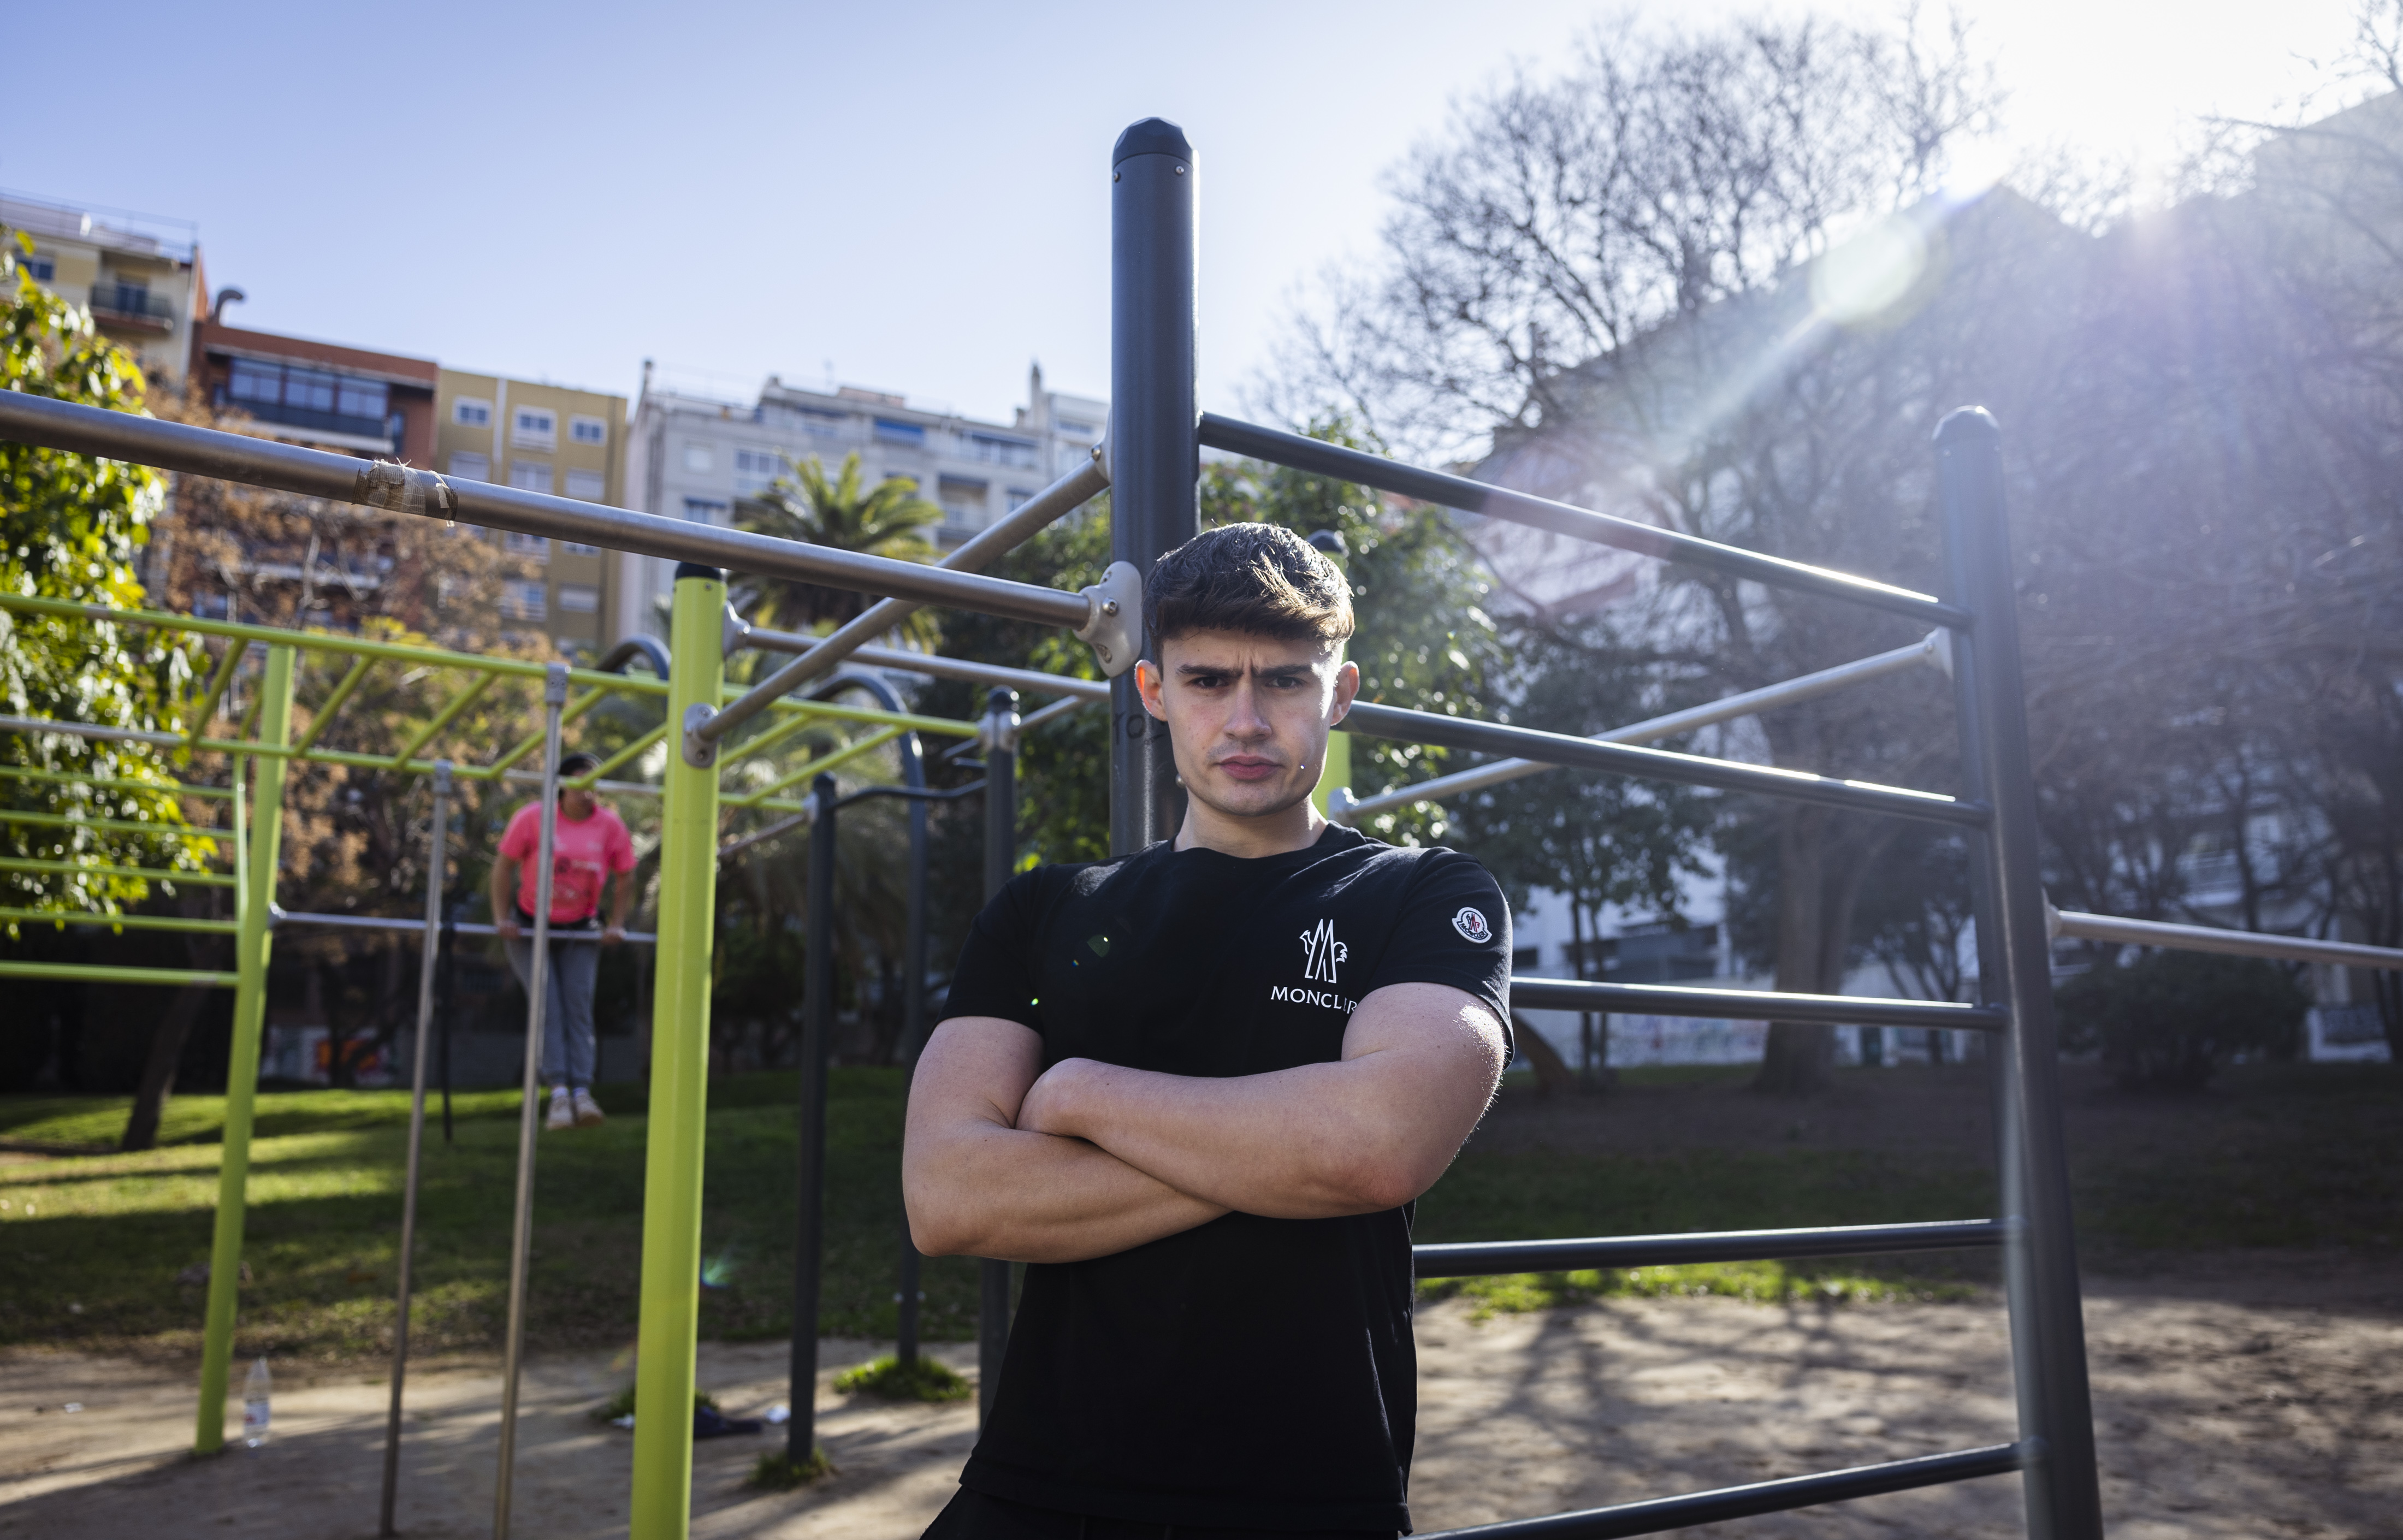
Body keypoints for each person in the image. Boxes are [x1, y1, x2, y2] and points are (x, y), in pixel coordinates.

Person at [905, 523, 1513, 1539]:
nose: (1245, 719)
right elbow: (949, 1198)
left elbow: (1377, 1148)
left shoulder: (1423, 893)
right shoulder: (1044, 911)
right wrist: (1279, 1152)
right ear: (1152, 691)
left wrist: (1081, 1096)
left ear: (1342, 693)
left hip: (1311, 1492)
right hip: (1038, 1484)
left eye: (1282, 682)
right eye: (1206, 681)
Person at [490, 749, 636, 1133]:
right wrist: (501, 918)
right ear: (563, 786)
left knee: (578, 1006)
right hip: (529, 925)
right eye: (578, 783)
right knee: (548, 1006)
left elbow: (626, 876)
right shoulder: (534, 818)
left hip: (579, 926)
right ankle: (558, 1093)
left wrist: (617, 924)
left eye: (592, 784)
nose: (586, 792)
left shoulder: (609, 826)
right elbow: (503, 867)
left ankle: (583, 1093)